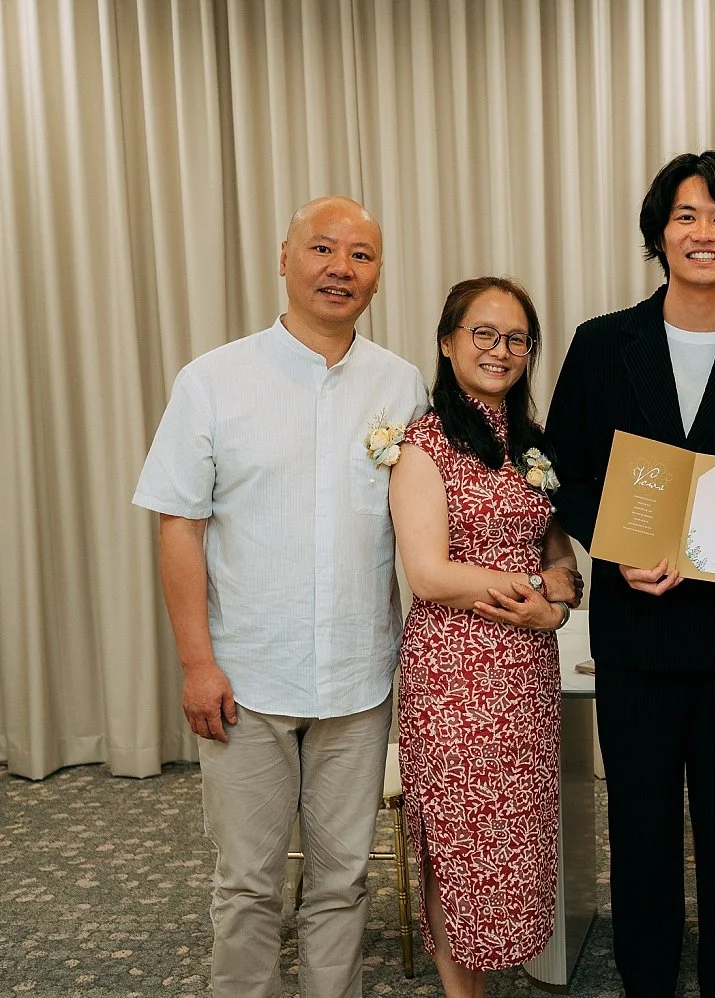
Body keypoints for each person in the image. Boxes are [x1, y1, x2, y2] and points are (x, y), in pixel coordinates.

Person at [133, 196, 428, 998]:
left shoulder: (401, 385)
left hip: (359, 677)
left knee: (342, 882)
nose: (341, 268)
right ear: (284, 258)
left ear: (378, 273)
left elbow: (438, 515)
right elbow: (178, 527)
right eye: (323, 249)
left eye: (361, 255)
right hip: (245, 679)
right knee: (249, 885)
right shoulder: (214, 380)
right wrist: (197, 663)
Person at [545, 150, 715, 996]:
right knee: (643, 827)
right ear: (660, 233)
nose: (704, 232)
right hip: (636, 630)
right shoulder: (600, 343)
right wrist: (612, 548)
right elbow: (564, 470)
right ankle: (647, 978)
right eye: (687, 215)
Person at [389, 277, 583, 997]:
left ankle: (499, 973)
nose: (500, 351)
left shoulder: (534, 447)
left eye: (516, 339)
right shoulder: (423, 443)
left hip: (527, 671)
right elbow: (431, 574)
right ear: (448, 342)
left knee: (515, 839)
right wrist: (532, 593)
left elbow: (561, 559)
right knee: (459, 841)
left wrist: (555, 602)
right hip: (454, 676)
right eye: (484, 334)